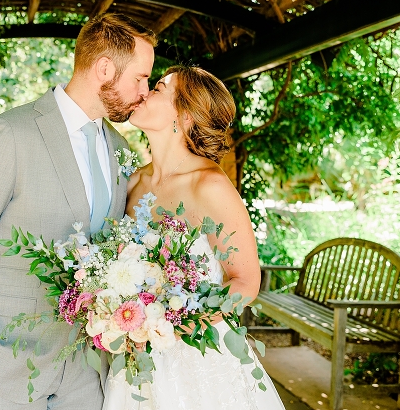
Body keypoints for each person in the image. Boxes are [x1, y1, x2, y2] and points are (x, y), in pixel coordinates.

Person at [0, 13, 157, 409]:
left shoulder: (120, 149)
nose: (145, 90)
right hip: (3, 363)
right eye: (140, 77)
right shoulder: (7, 135)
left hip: (87, 371)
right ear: (105, 69)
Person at [102, 65, 286, 410]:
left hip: (200, 363)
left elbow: (246, 281)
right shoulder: (133, 182)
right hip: (138, 361)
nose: (145, 91)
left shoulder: (209, 186)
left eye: (158, 87)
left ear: (185, 115)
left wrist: (179, 324)